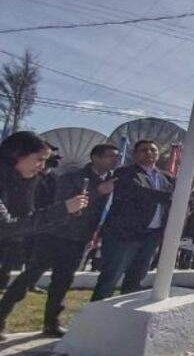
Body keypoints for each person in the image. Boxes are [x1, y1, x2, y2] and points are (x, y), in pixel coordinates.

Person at [0, 144, 116, 336]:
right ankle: (2, 315)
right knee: (29, 277)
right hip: (54, 235)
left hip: (79, 239)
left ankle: (51, 322)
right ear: (95, 157)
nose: (114, 160)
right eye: (110, 156)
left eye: (116, 157)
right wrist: (98, 192)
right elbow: (63, 203)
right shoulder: (73, 177)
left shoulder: (112, 182)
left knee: (62, 282)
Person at [90, 140, 174, 301]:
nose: (149, 153)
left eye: (153, 150)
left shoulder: (167, 178)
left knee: (136, 278)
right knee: (111, 277)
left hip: (152, 236)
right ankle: (95, 315)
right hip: (124, 235)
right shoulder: (124, 173)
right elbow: (138, 192)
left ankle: (126, 313)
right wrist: (171, 196)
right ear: (134, 155)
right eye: (144, 150)